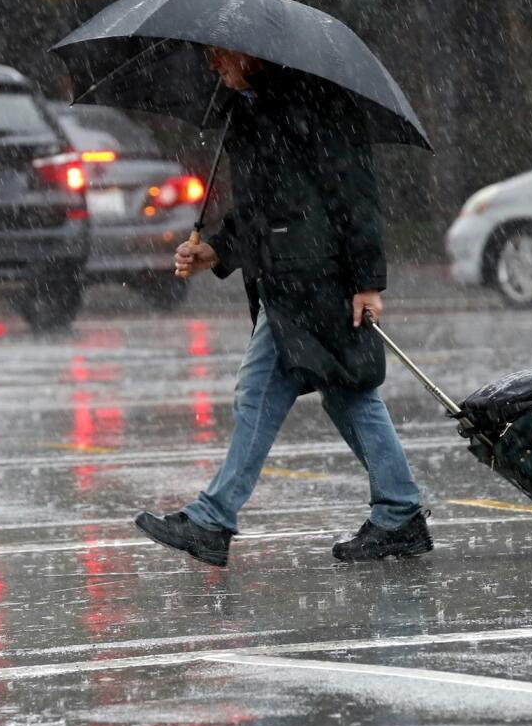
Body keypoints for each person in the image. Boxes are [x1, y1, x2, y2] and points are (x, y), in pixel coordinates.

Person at [133, 47, 431, 567]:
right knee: (344, 392)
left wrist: (367, 282)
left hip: (316, 280)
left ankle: (213, 518)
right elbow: (261, 209)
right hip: (286, 279)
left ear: (250, 55)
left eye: (219, 55)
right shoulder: (247, 110)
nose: (212, 66)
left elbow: (356, 194)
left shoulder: (315, 103)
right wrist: (216, 251)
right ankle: (399, 513)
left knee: (275, 392)